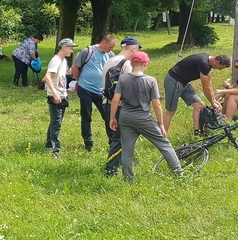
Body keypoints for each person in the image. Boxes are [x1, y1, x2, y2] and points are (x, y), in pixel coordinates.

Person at [109, 51, 184, 182]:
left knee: (127, 149)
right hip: (143, 118)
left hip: (125, 117)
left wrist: (112, 118)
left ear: (131, 63)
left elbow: (115, 100)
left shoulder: (123, 78)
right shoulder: (151, 81)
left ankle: (128, 179)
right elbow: (157, 105)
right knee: (164, 145)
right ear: (145, 64)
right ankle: (180, 173)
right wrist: (161, 124)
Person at [101, 35, 141, 176]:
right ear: (133, 48)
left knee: (114, 138)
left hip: (106, 103)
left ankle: (123, 162)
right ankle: (110, 169)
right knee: (120, 138)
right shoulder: (127, 64)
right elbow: (132, 86)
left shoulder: (109, 60)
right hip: (119, 106)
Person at [163, 53, 231, 134]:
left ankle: (197, 131)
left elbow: (209, 83)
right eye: (220, 68)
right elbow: (205, 87)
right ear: (217, 62)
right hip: (174, 80)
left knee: (199, 105)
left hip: (184, 82)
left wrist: (214, 101)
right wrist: (213, 103)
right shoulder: (203, 63)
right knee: (171, 110)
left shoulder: (208, 61)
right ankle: (162, 136)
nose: (219, 70)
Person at [70, 34, 117, 151]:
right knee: (86, 117)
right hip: (85, 89)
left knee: (108, 116)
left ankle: (112, 143)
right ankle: (88, 143)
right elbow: (75, 67)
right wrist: (79, 80)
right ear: (104, 43)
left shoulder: (110, 55)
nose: (112, 50)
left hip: (101, 92)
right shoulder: (88, 51)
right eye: (110, 47)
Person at [43, 38, 78, 158]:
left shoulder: (63, 61)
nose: (72, 51)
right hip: (56, 95)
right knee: (56, 123)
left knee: (55, 122)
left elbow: (61, 75)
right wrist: (54, 93)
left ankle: (49, 144)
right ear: (64, 47)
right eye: (70, 48)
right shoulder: (56, 60)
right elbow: (47, 77)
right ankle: (54, 150)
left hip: (62, 94)